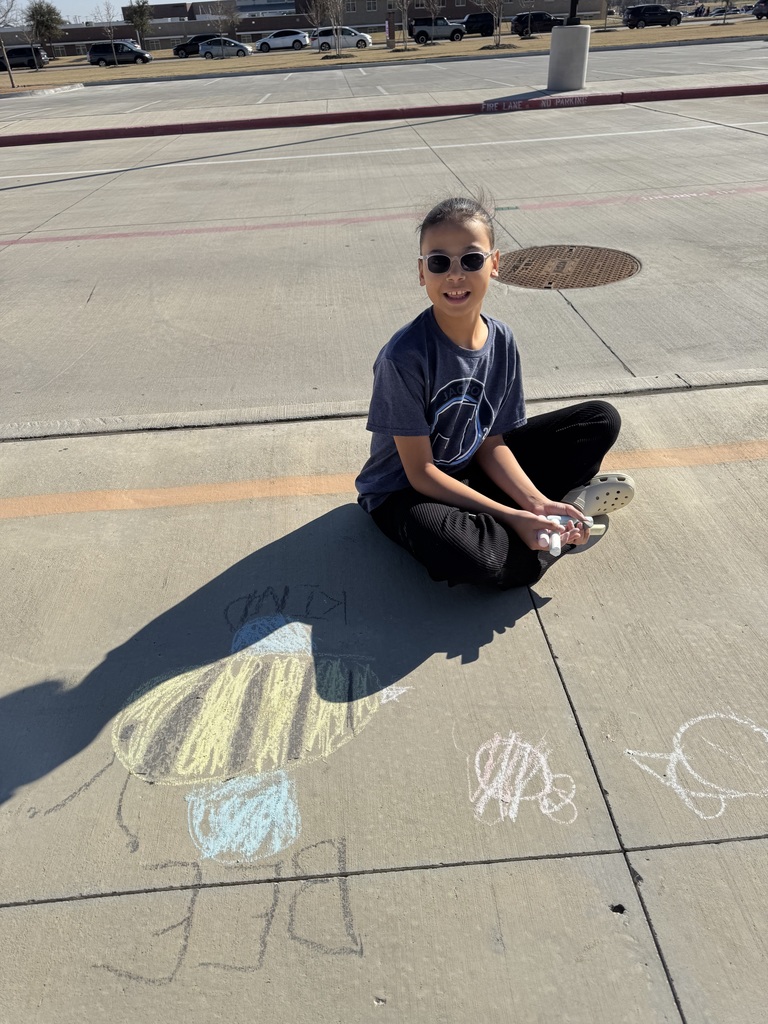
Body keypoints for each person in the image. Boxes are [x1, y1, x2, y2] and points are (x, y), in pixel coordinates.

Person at [355, 196, 634, 589]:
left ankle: (551, 513)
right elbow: (420, 473)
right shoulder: (403, 357)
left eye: (470, 260)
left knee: (599, 420)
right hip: (407, 492)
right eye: (439, 262)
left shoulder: (500, 339)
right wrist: (513, 515)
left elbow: (491, 443)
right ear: (422, 272)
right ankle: (547, 527)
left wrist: (535, 503)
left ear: (495, 264)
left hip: (471, 467)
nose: (455, 274)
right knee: (483, 561)